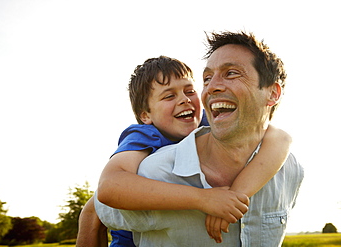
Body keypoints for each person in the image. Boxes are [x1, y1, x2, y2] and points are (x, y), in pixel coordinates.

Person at [79, 46, 296, 246]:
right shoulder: (145, 136)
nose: (184, 100)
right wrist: (203, 199)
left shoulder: (205, 124)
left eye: (189, 91)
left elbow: (280, 139)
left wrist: (236, 195)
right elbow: (109, 186)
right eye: (169, 96)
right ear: (146, 115)